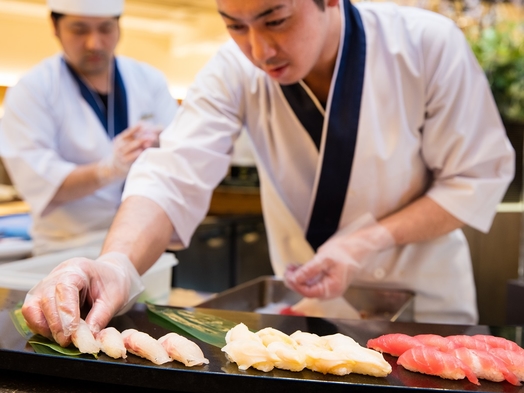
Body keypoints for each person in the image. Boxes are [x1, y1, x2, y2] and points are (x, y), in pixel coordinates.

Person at [22, 0, 514, 347]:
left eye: (275, 19)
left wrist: (359, 243)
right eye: (234, 25)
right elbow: (172, 173)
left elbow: (472, 178)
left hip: (428, 307)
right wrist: (116, 266)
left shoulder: (426, 44)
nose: (259, 50)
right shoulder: (231, 71)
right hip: (313, 314)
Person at [0, 0, 178, 255]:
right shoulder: (32, 91)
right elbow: (41, 182)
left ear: (119, 27)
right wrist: (108, 169)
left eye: (105, 29)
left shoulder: (149, 80)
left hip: (146, 242)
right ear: (55, 26)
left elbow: (179, 157)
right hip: (67, 249)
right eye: (80, 30)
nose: (94, 43)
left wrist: (162, 146)